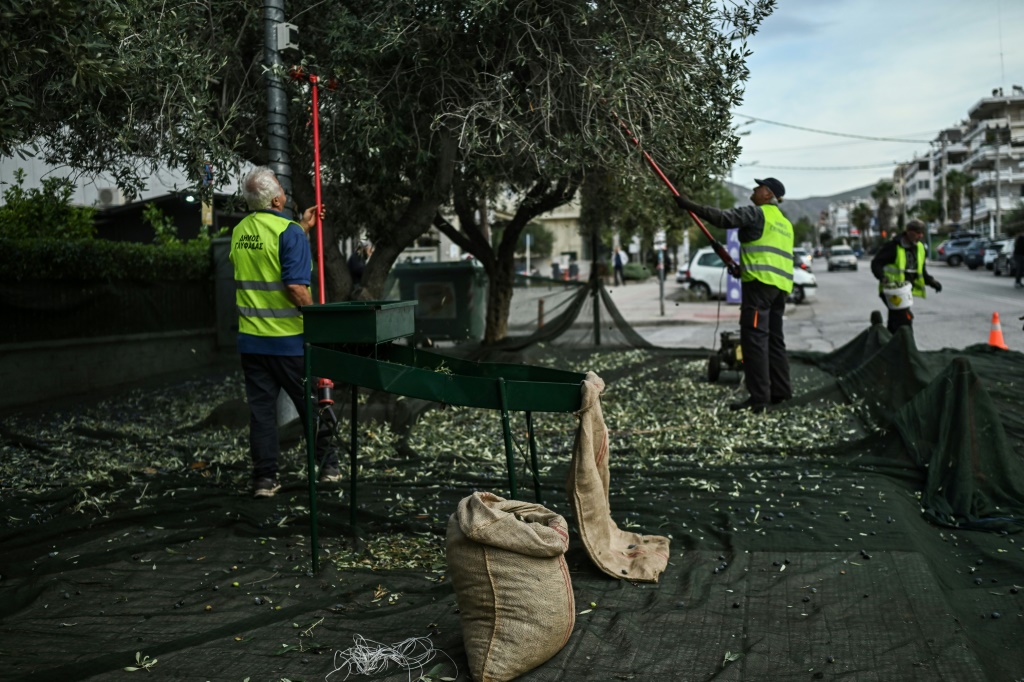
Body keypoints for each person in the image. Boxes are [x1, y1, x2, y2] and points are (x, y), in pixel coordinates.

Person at [230, 166, 341, 498]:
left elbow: (264, 260)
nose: (284, 190)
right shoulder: (288, 232)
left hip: (252, 342)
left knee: (261, 413)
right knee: (311, 405)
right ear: (278, 198)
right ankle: (329, 467)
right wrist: (317, 321)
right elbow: (295, 286)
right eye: (280, 185)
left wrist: (303, 228)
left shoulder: (239, 231)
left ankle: (265, 479)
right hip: (289, 342)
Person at [675, 177, 794, 412]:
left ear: (768, 195)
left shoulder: (757, 213)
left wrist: (689, 206)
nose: (754, 189)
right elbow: (770, 253)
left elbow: (723, 219)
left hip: (759, 288)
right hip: (780, 289)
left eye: (759, 187)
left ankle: (759, 398)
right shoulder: (784, 223)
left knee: (755, 341)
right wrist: (741, 268)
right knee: (774, 340)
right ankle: (781, 392)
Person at [870, 219, 942, 334]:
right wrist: (882, 277)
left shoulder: (919, 248)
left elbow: (921, 271)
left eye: (922, 233)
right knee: (904, 319)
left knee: (896, 320)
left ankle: (889, 345)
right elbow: (876, 263)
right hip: (891, 290)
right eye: (918, 233)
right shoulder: (893, 246)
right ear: (908, 232)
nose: (920, 236)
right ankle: (905, 346)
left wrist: (932, 282)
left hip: (904, 291)